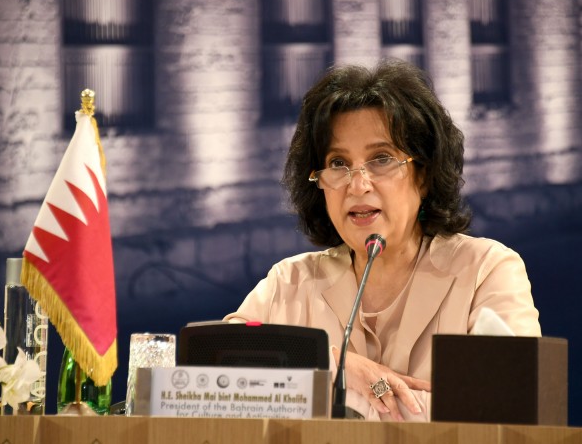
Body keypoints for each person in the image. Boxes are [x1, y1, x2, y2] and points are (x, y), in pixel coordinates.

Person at [224, 59, 541, 421]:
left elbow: (515, 407)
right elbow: (211, 370)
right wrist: (335, 366)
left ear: (424, 175)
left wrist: (309, 386)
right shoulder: (289, 283)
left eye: (381, 159)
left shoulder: (485, 272)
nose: (358, 185)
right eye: (338, 163)